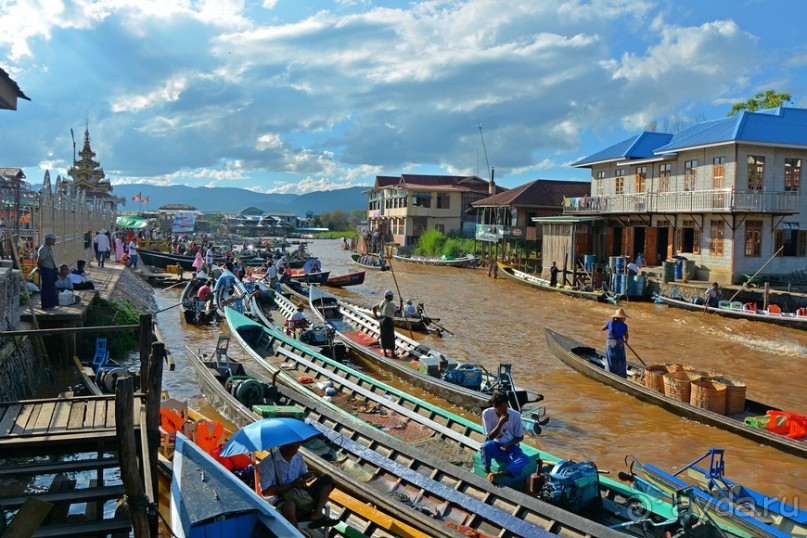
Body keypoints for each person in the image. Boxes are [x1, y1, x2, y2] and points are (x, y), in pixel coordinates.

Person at [258, 442, 337, 529]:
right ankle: (294, 533)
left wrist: (306, 476)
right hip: (280, 500)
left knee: (327, 479)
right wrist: (292, 484)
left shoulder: (298, 456)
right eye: (293, 448)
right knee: (290, 507)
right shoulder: (268, 463)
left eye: (297, 448)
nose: (295, 451)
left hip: (300, 495)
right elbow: (266, 492)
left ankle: (317, 513)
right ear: (284, 445)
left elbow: (302, 475)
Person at [481, 391, 529, 484]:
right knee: (484, 447)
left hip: (510, 448)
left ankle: (497, 474)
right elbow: (490, 437)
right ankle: (488, 472)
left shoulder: (515, 415)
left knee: (524, 459)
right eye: (502, 407)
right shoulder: (486, 413)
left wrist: (509, 443)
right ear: (495, 406)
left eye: (506, 406)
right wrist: (501, 423)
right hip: (495, 444)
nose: (505, 409)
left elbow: (520, 437)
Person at [600, 308, 629, 378]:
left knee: (610, 359)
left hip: (610, 343)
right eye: (624, 318)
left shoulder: (610, 322)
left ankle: (609, 374)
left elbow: (602, 328)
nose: (625, 319)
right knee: (620, 359)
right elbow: (626, 335)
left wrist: (607, 327)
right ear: (620, 318)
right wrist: (626, 340)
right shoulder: (624, 325)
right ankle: (621, 375)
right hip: (619, 343)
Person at [372, 290, 397, 358]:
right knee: (391, 336)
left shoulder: (382, 302)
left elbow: (374, 308)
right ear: (388, 297)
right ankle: (392, 354)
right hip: (388, 321)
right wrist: (401, 303)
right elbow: (397, 311)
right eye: (391, 296)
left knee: (383, 336)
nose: (392, 297)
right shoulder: (391, 304)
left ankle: (385, 353)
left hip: (381, 320)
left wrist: (376, 317)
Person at [37, 233, 58, 309]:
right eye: (53, 240)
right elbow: (39, 261)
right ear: (48, 240)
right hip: (46, 270)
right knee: (46, 288)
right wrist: (42, 270)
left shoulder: (49, 248)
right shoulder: (44, 249)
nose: (54, 241)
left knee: (51, 288)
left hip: (50, 270)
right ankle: (46, 305)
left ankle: (50, 304)